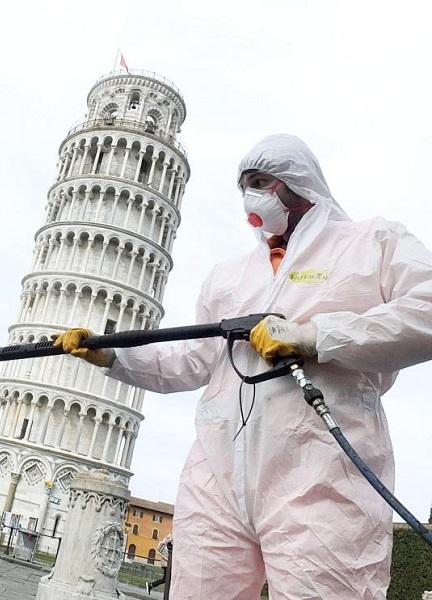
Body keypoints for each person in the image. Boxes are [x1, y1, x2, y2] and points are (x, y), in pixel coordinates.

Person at [55, 134, 432, 599]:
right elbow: (192, 360)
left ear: (298, 182)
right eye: (244, 186)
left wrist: (316, 336)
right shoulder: (230, 276)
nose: (252, 196)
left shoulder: (371, 242)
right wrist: (112, 355)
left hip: (320, 476)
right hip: (216, 476)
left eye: (261, 181)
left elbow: (427, 311)